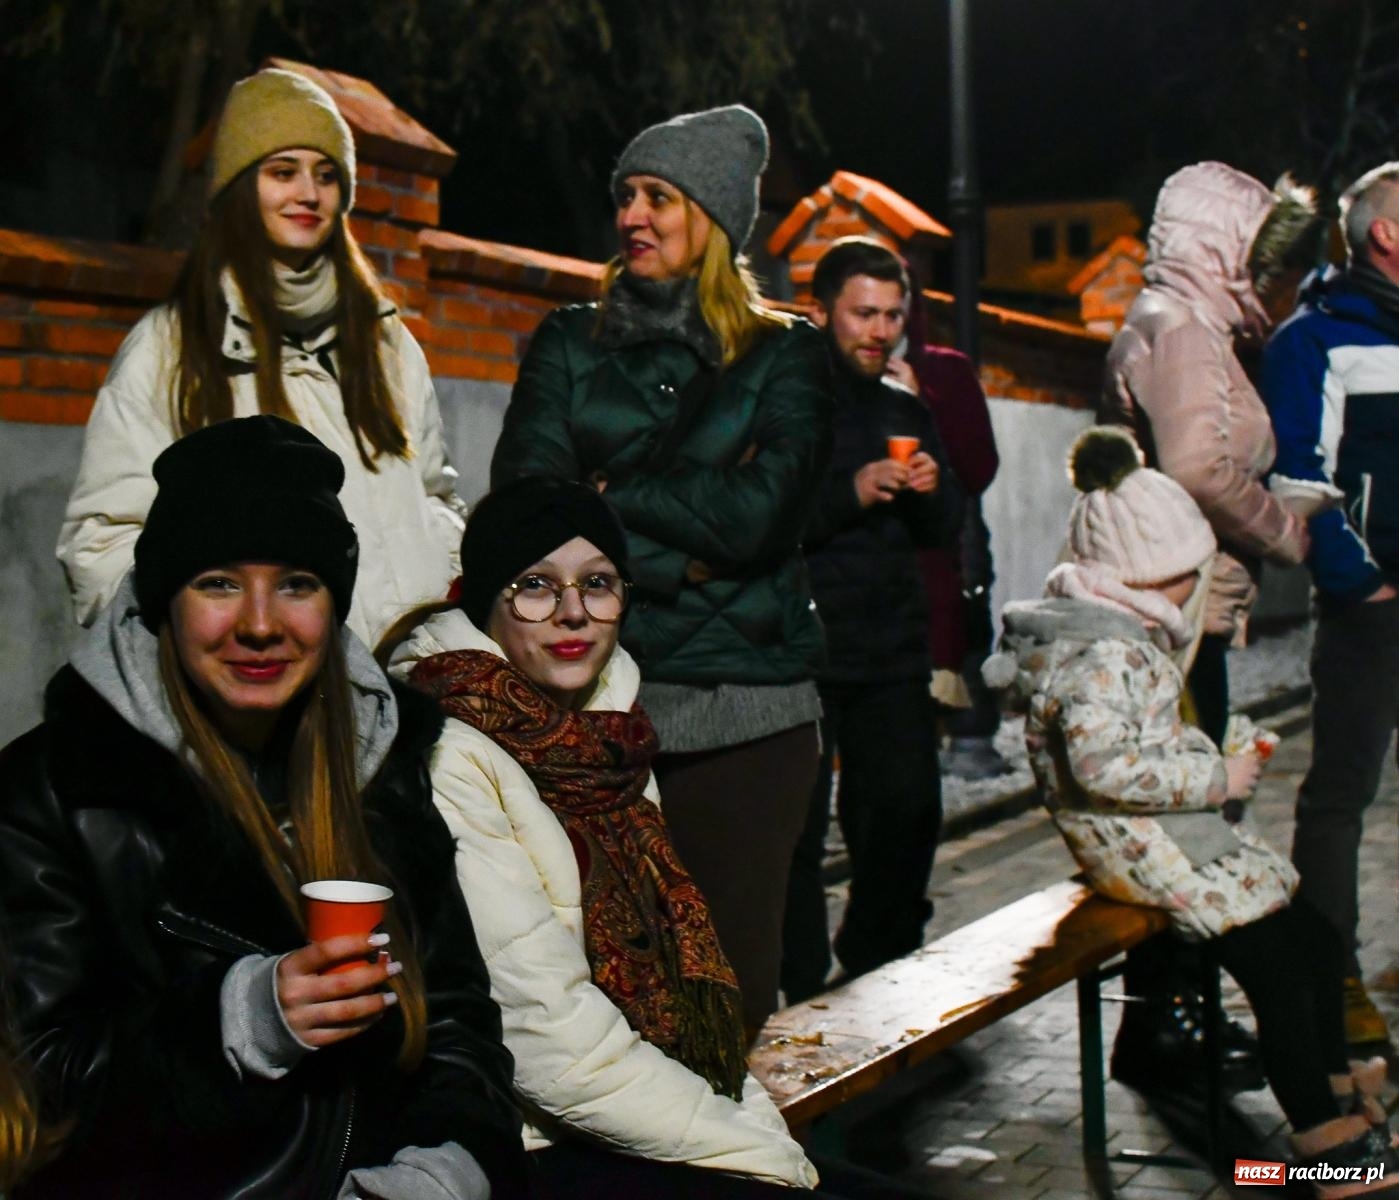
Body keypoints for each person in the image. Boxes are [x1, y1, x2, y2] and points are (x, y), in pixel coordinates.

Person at [0, 417, 526, 1198]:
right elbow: (39, 1093)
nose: (257, 623)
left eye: (296, 583)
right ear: (164, 600)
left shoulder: (380, 765)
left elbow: (455, 1024)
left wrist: (443, 1171)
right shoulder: (61, 786)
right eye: (217, 581)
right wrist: (239, 1019)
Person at [986, 427, 1399, 1198]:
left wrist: (1220, 753)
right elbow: (1104, 766)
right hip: (1137, 844)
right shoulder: (1106, 651)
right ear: (1146, 574)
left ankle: (1340, 1084)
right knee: (1274, 968)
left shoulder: (1123, 636)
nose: (1194, 591)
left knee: (1306, 934)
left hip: (1158, 831)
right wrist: (1215, 776)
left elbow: (1143, 741)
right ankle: (1324, 1146)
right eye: (1186, 575)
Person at [490, 105, 831, 1032]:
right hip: (594, 709)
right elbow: (529, 508)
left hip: (744, 716)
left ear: (713, 219)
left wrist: (612, 496)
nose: (633, 215)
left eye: (659, 197)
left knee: (725, 996)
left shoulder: (788, 351)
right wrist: (690, 555)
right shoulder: (569, 339)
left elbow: (765, 519)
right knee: (595, 997)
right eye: (626, 196)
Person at [57, 68, 466, 648]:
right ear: (238, 188)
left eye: (327, 175)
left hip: (413, 679)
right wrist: (206, 660)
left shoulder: (386, 342)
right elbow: (104, 543)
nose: (309, 193)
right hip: (263, 693)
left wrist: (442, 602)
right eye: (283, 172)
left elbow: (437, 498)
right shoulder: (174, 347)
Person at [1097, 161, 1321, 1085]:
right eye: (1262, 255)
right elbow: (1196, 467)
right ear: (1223, 246)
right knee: (1195, 822)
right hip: (1176, 625)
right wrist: (1285, 529)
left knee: (1185, 816)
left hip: (1173, 615)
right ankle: (1164, 1032)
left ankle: (1167, 1020)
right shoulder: (1185, 329)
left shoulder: (1169, 319)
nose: (1274, 280)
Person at [781, 238, 962, 1002]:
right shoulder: (786, 401)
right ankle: (793, 987)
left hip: (889, 648)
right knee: (791, 835)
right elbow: (766, 520)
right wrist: (850, 490)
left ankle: (877, 969)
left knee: (906, 812)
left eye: (892, 314)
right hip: (802, 650)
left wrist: (926, 487)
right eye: (863, 312)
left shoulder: (903, 406)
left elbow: (943, 526)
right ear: (819, 310)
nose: (879, 329)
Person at [1262, 161, 1399, 1050]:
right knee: (1341, 797)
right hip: (1374, 610)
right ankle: (1334, 982)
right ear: (1385, 233)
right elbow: (1300, 483)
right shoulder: (1313, 338)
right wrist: (1365, 581)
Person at [900, 281, 1008, 780]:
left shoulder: (945, 371)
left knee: (963, 630)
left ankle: (971, 737)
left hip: (951, 543)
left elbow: (978, 465)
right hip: (871, 560)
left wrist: (924, 401)